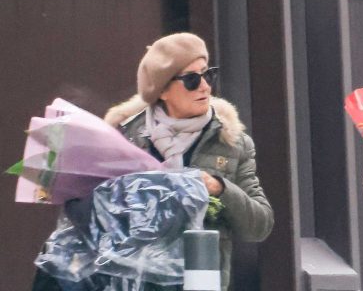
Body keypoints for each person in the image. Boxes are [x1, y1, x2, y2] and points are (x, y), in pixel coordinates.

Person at [33, 32, 274, 291]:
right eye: (192, 80)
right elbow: (85, 216)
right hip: (129, 282)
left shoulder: (233, 142)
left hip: (198, 282)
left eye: (208, 74)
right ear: (162, 90)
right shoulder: (122, 136)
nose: (205, 86)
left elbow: (259, 226)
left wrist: (218, 187)